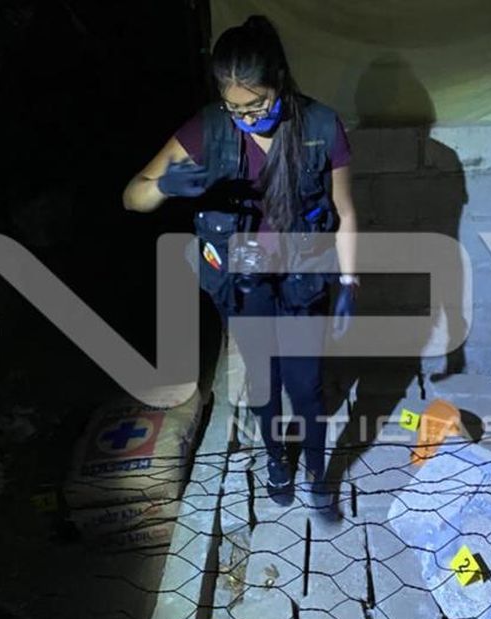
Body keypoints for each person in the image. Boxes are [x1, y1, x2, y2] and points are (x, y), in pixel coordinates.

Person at [122, 15, 358, 513]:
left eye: (258, 105)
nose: (247, 119)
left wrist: (350, 281)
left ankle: (317, 469)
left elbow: (345, 209)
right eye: (236, 110)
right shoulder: (208, 128)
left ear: (281, 82)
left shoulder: (320, 125)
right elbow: (132, 196)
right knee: (263, 378)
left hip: (301, 270)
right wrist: (163, 186)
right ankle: (276, 459)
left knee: (306, 385)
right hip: (244, 276)